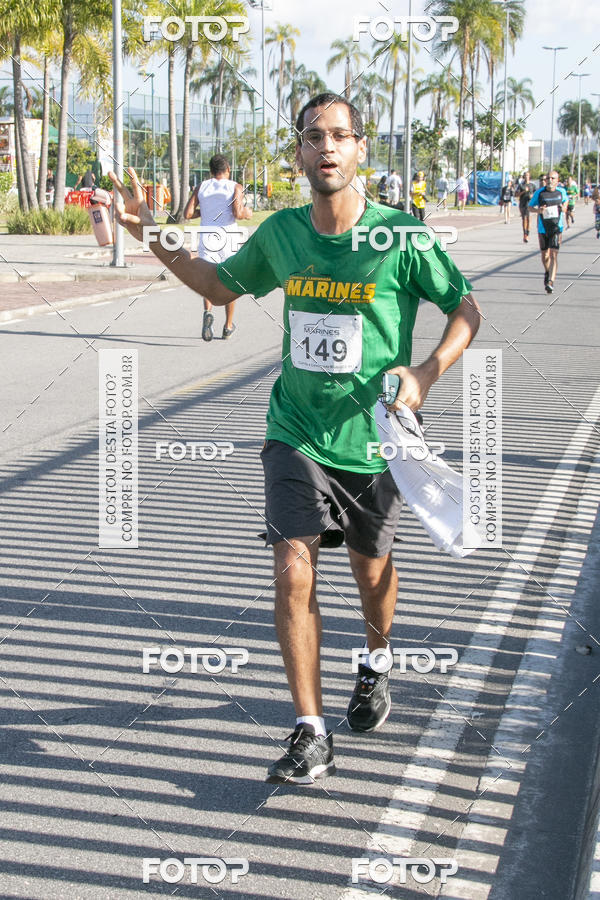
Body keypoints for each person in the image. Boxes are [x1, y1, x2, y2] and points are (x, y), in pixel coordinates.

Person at [109, 92, 481, 785]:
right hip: (296, 433)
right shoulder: (282, 234)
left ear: (360, 148)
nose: (328, 148)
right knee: (291, 567)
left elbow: (465, 306)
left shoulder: (401, 237)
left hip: (374, 440)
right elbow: (217, 287)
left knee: (372, 576)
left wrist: (426, 371)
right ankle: (310, 731)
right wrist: (149, 234)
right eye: (314, 137)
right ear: (299, 153)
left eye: (341, 136)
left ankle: (374, 662)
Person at [184, 154, 251, 341]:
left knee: (208, 280)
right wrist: (247, 213)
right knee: (231, 282)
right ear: (228, 169)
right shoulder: (235, 187)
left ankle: (208, 311)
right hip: (228, 240)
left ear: (211, 171)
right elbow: (237, 213)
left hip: (207, 239)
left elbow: (187, 213)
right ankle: (228, 326)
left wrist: (205, 212)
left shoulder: (202, 187)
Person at [528, 170, 568, 294]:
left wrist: (564, 208)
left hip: (557, 228)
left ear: (557, 180)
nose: (550, 181)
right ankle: (547, 271)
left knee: (554, 254)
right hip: (543, 228)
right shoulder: (540, 193)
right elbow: (530, 207)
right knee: (545, 255)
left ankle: (550, 281)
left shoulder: (561, 192)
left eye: (552, 178)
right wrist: (538, 211)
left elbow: (566, 203)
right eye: (548, 178)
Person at [516, 172, 535, 242]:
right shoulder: (521, 185)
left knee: (529, 219)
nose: (526, 177)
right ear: (524, 177)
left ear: (529, 176)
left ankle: (527, 234)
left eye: (528, 175)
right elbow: (516, 195)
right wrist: (523, 191)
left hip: (530, 204)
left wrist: (532, 196)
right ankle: (525, 234)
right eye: (525, 175)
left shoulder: (532, 185)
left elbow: (536, 194)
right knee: (524, 219)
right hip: (523, 203)